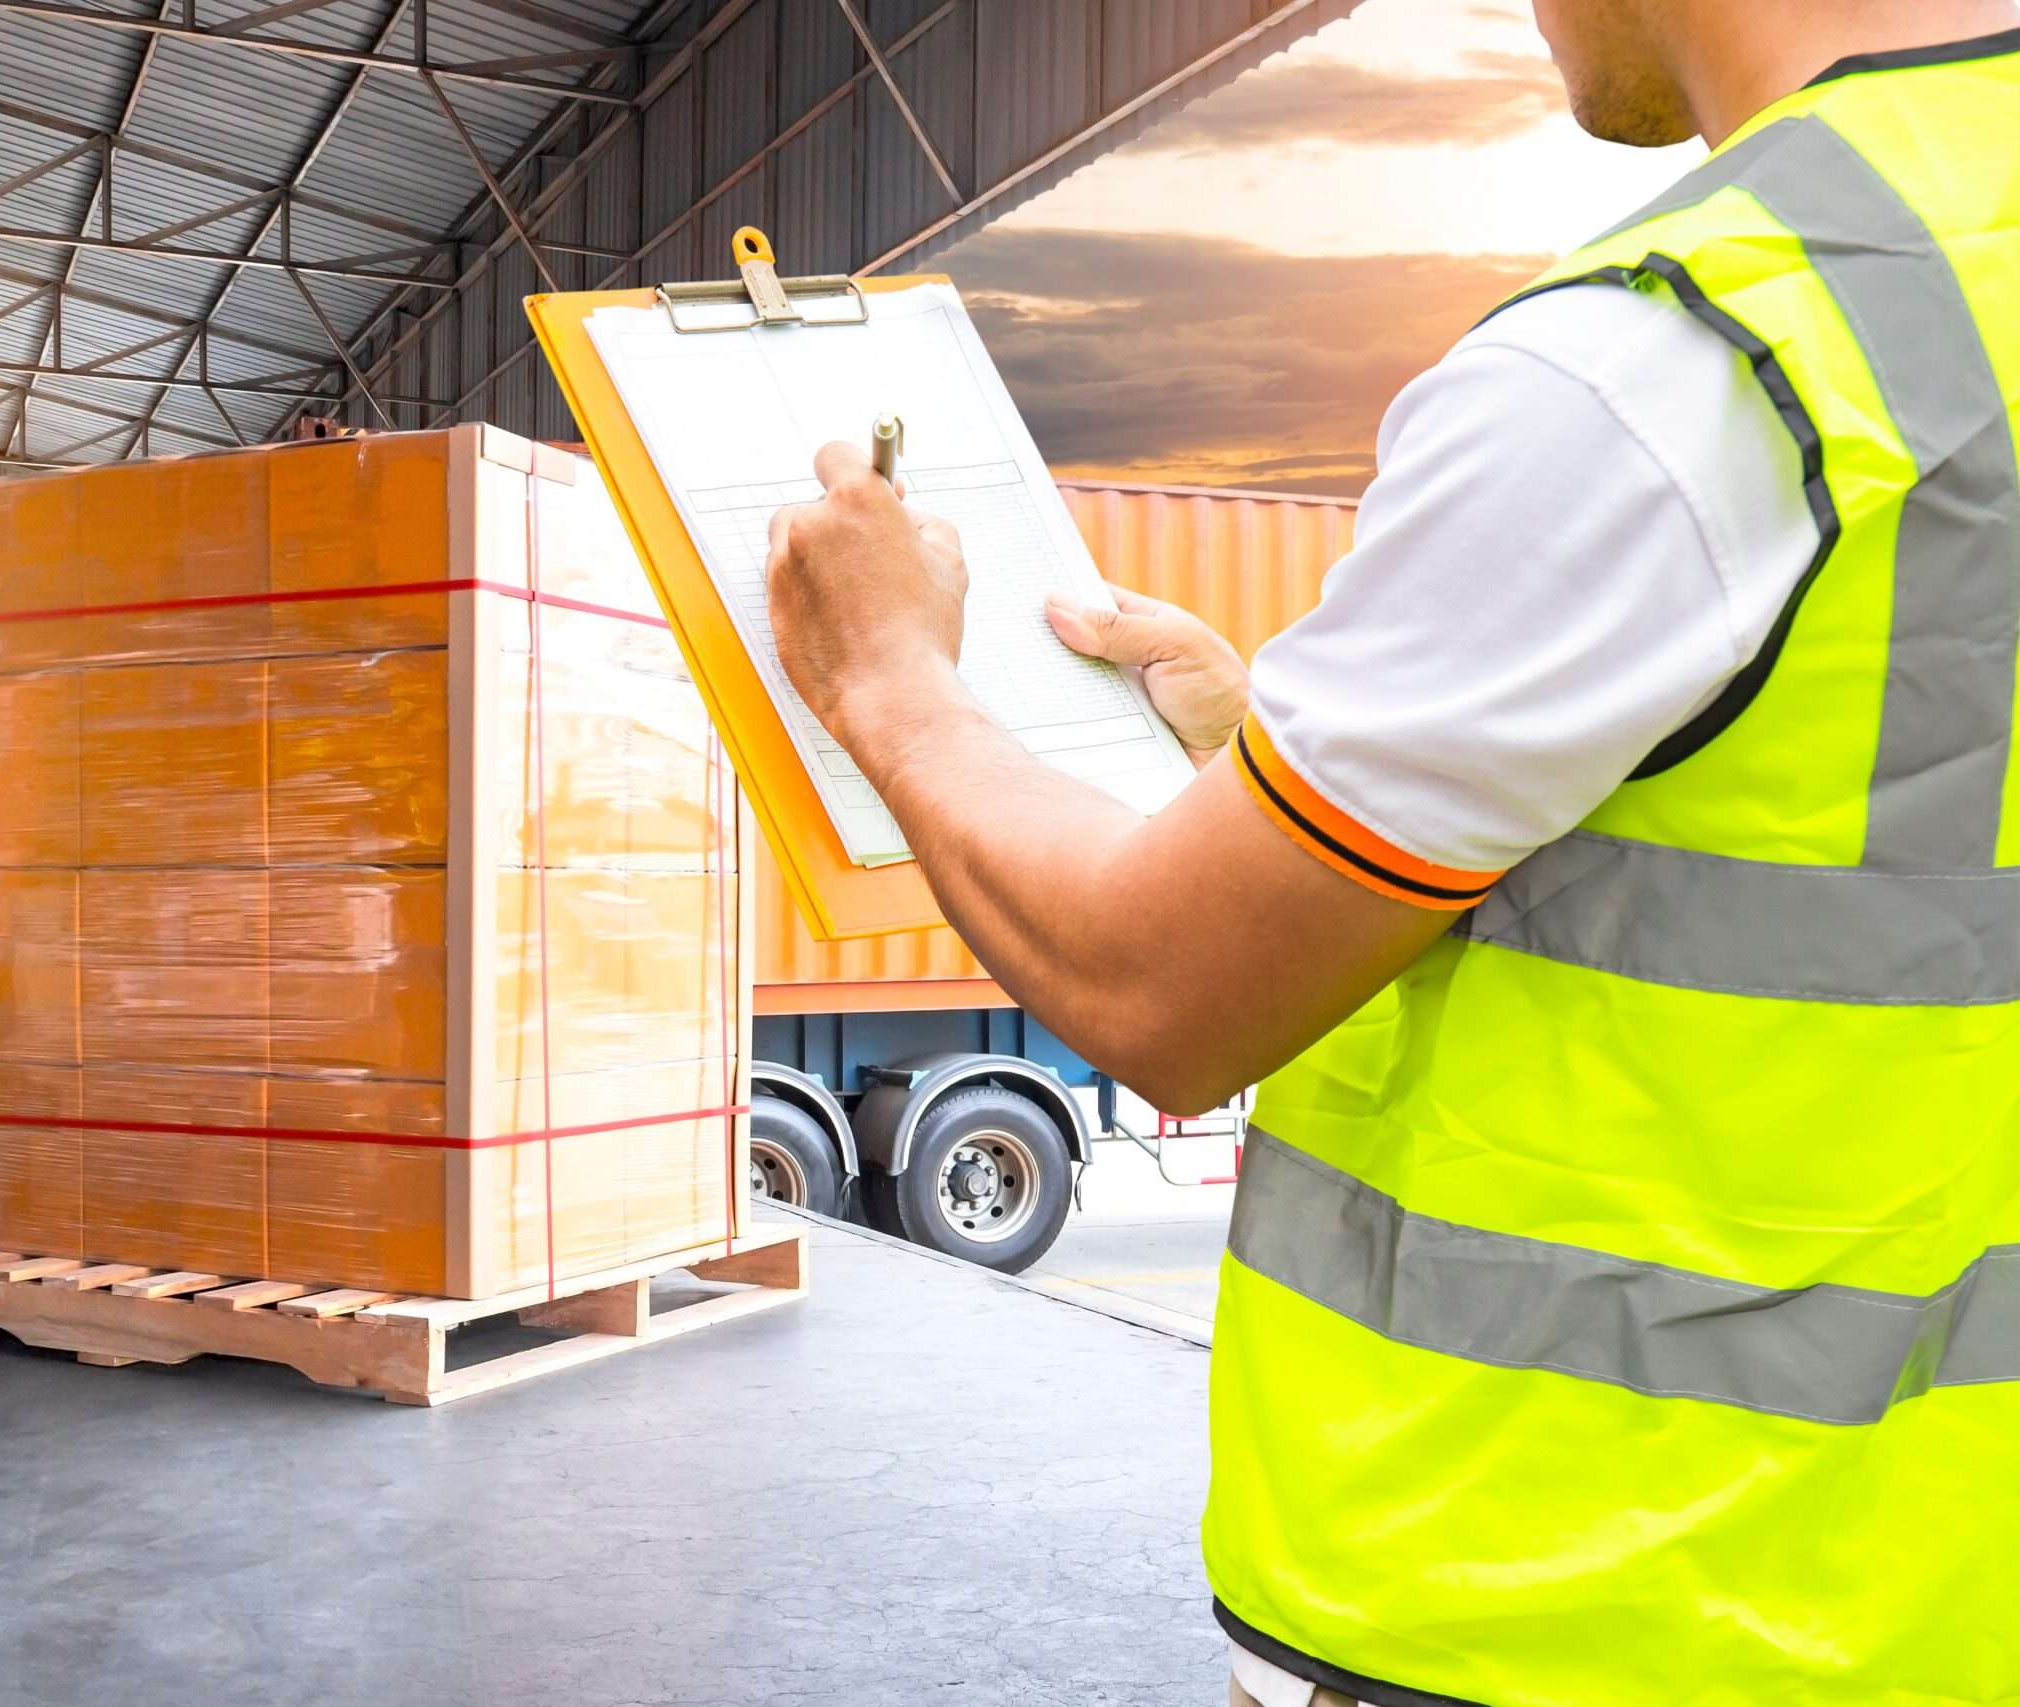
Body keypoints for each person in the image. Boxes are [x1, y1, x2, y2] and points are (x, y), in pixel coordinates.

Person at [762, 2, 2020, 1702]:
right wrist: (1272, 754)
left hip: (1589, 1607)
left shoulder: (1695, 352)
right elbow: (1867, 848)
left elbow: (1155, 988)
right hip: (1946, 1605)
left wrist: (890, 681)